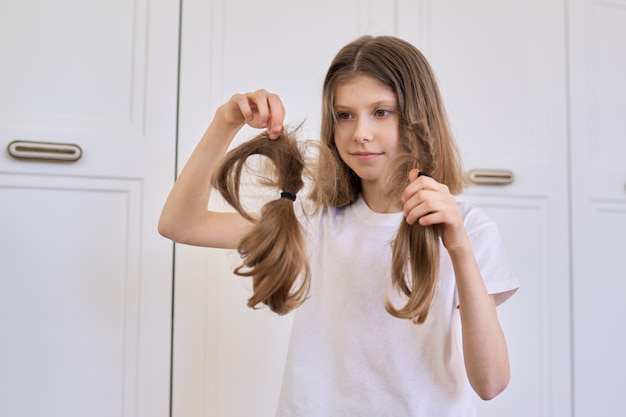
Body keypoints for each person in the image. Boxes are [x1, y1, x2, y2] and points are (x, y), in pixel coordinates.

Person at [159, 35, 519, 416]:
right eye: (344, 115)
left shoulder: (470, 230)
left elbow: (491, 382)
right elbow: (181, 224)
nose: (360, 133)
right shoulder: (313, 221)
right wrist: (225, 122)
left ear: (419, 117)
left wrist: (458, 247)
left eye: (382, 112)